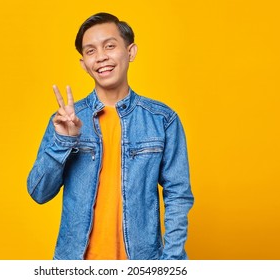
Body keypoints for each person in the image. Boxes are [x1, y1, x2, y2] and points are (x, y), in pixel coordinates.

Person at [27, 12, 194, 260]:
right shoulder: (66, 120)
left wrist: (171, 261)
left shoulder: (162, 119)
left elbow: (178, 195)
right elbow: (39, 192)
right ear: (84, 64)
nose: (101, 57)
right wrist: (64, 141)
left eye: (110, 46)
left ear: (131, 52)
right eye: (91, 51)